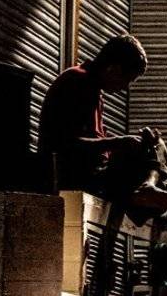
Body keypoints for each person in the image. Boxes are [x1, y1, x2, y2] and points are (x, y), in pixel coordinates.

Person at [37, 34, 150, 195]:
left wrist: (133, 143)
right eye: (127, 80)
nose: (125, 87)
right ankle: (149, 187)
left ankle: (150, 186)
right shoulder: (77, 82)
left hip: (93, 173)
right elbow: (65, 144)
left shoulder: (93, 89)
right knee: (150, 160)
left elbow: (96, 139)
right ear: (114, 69)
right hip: (75, 176)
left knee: (152, 146)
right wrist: (118, 142)